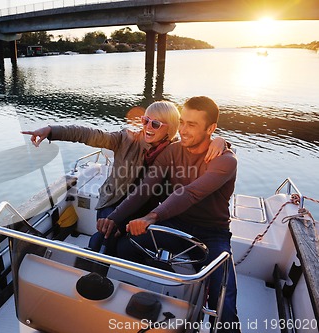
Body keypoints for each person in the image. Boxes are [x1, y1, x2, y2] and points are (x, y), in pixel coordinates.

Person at [102, 96, 240, 332]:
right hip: (177, 223)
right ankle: (142, 300)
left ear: (211, 129)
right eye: (182, 122)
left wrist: (151, 217)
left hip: (213, 233)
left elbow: (190, 193)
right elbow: (144, 190)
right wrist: (114, 217)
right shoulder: (172, 151)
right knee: (123, 246)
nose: (183, 131)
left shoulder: (225, 160)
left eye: (192, 125)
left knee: (223, 296)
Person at [21, 101, 227, 253]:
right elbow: (87, 134)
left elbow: (200, 147)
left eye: (155, 124)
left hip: (144, 210)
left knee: (127, 245)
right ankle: (96, 275)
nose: (147, 127)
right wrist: (51, 131)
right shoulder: (126, 139)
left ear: (171, 128)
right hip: (113, 202)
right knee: (106, 237)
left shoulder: (174, 151)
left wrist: (221, 141)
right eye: (145, 120)